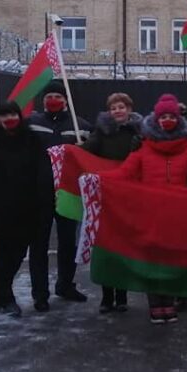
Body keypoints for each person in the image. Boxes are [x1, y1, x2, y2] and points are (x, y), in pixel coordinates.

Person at [115, 94, 187, 324]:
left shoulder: (186, 148)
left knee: (172, 260)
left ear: (178, 120)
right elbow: (124, 173)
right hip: (151, 213)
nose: (168, 120)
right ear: (156, 120)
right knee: (152, 261)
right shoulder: (143, 147)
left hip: (177, 215)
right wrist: (97, 179)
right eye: (163, 116)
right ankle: (155, 304)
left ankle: (168, 303)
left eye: (171, 116)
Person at [28, 80, 92, 311]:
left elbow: (95, 151)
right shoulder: (32, 123)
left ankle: (65, 285)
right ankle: (40, 294)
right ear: (43, 100)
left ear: (66, 100)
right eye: (49, 97)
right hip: (39, 192)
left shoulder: (80, 125)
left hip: (68, 192)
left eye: (58, 96)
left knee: (67, 243)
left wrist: (85, 147)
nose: (53, 100)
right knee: (39, 245)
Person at [0, 100, 43, 318]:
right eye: (4, 115)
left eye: (13, 114)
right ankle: (6, 298)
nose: (9, 119)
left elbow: (41, 171)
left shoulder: (31, 140)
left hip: (26, 209)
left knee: (17, 254)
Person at [82, 92, 142, 314]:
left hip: (129, 194)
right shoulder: (101, 131)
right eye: (114, 108)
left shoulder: (139, 131)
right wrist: (76, 148)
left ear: (129, 109)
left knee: (124, 246)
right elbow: (87, 151)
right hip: (105, 193)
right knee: (106, 245)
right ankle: (107, 297)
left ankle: (122, 296)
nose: (118, 111)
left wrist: (140, 145)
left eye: (121, 107)